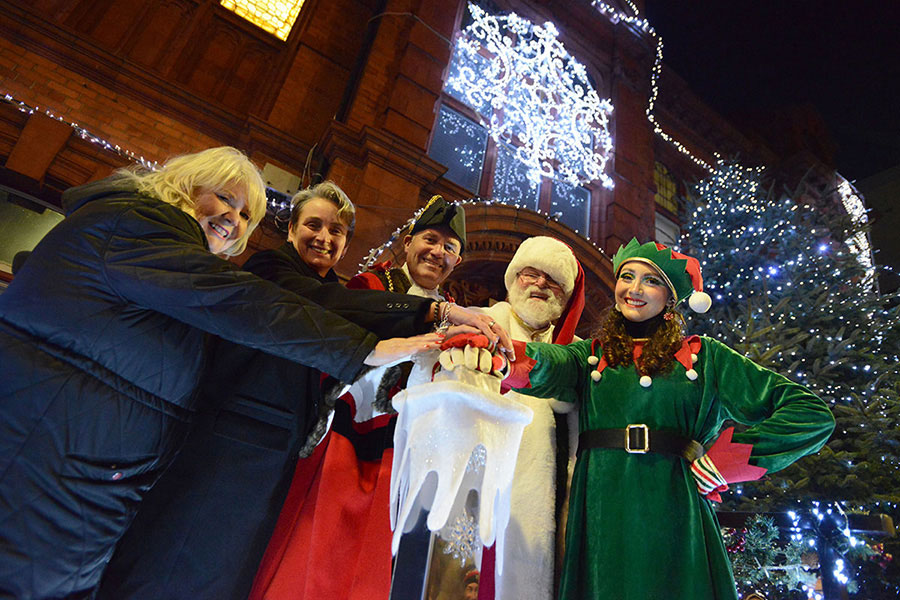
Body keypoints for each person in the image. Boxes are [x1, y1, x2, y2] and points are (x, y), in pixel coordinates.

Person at [0, 149, 471, 599]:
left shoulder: (169, 248)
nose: (234, 219)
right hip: (78, 457)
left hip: (100, 471)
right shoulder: (176, 240)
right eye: (226, 198)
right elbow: (254, 304)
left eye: (246, 214)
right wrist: (385, 337)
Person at [96, 182, 499, 599]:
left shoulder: (332, 285)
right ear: (290, 229)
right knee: (183, 558)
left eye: (337, 232)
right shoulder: (284, 270)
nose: (324, 238)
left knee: (229, 569)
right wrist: (433, 313)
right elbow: (332, 308)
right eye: (314, 225)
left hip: (297, 447)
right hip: (256, 441)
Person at [492, 238, 835, 599]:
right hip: (603, 508)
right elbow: (545, 363)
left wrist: (729, 462)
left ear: (671, 298)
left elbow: (810, 414)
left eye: (651, 280)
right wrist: (496, 351)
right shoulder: (589, 356)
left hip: (674, 503)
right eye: (627, 277)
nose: (634, 289)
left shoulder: (707, 359)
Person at [249, 195, 475, 600]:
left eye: (449, 248)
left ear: (456, 263)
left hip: (405, 457)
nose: (437, 252)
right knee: (316, 554)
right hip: (344, 440)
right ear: (407, 242)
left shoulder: (456, 315)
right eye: (429, 239)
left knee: (372, 571)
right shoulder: (370, 286)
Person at [470, 236, 585, 600]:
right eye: (530, 274)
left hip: (545, 506)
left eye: (552, 280)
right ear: (513, 278)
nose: (539, 284)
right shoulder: (478, 325)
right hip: (478, 489)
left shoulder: (576, 353)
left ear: (565, 296)